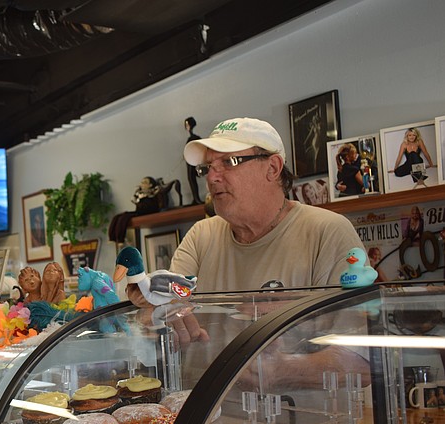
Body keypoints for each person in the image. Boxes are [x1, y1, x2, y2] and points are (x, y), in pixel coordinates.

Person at [131, 117, 369, 386]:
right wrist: (153, 315)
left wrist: (285, 369)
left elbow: (361, 363)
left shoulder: (328, 232)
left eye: (229, 162)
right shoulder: (201, 236)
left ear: (273, 167)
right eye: (208, 167)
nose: (211, 176)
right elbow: (163, 310)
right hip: (202, 421)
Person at [184, 117, 203, 204]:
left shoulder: (195, 138)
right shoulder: (192, 138)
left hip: (194, 161)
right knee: (191, 179)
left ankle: (197, 198)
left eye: (188, 124)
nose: (186, 126)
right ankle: (195, 198)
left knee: (192, 179)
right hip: (189, 161)